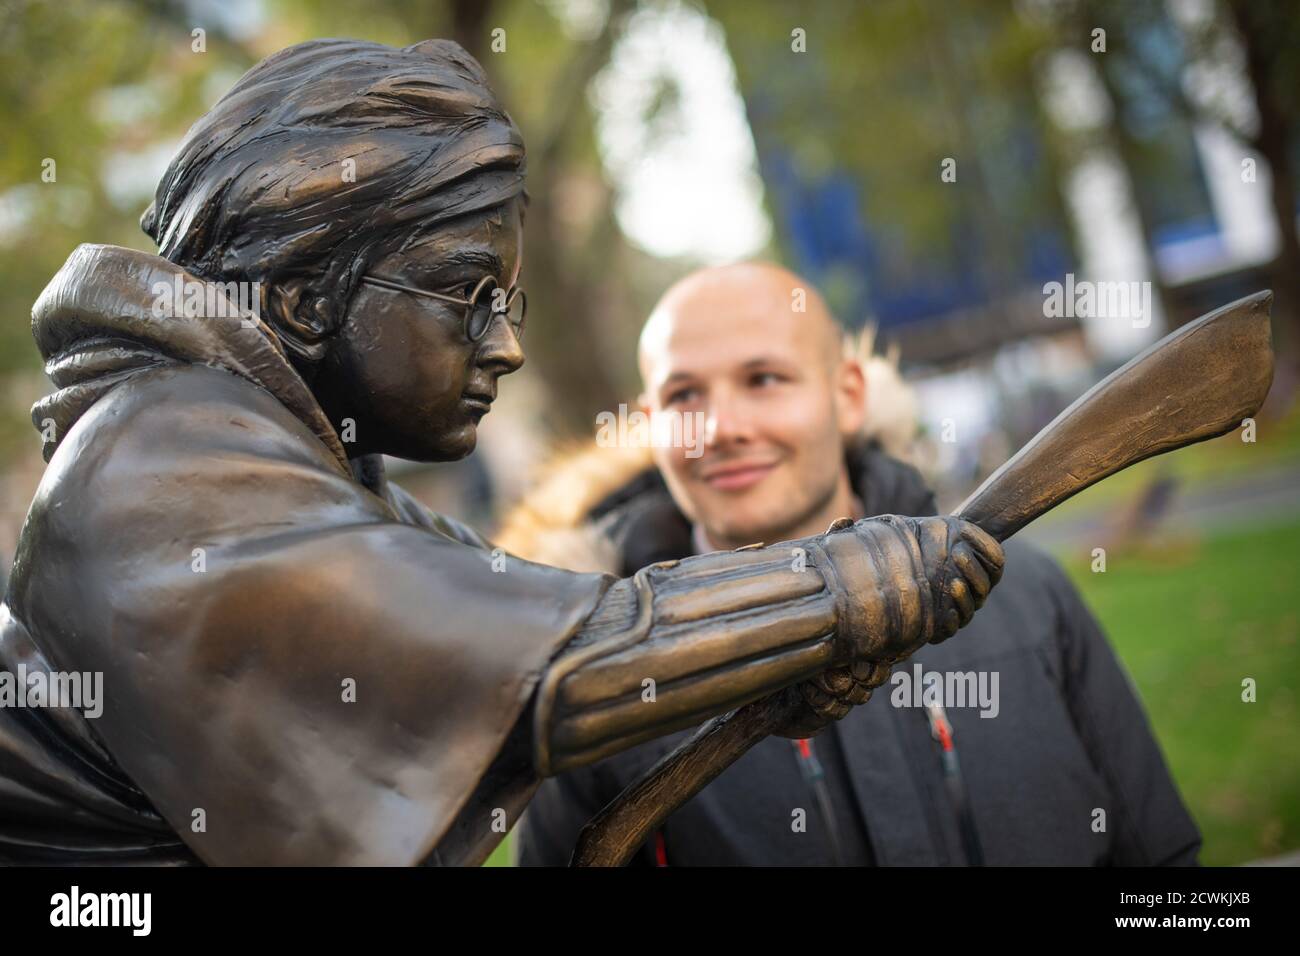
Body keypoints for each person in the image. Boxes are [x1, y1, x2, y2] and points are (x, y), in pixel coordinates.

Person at [0, 40, 1001, 866]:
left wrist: (771, 659)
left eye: (505, 302)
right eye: (465, 292)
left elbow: (525, 612)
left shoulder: (293, 466)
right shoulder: (152, 467)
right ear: (304, 300)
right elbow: (551, 662)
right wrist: (841, 583)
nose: (506, 344)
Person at [510, 262, 1202, 866]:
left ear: (845, 395)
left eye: (764, 378)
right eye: (683, 395)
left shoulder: (1030, 597)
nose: (720, 427)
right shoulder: (600, 678)